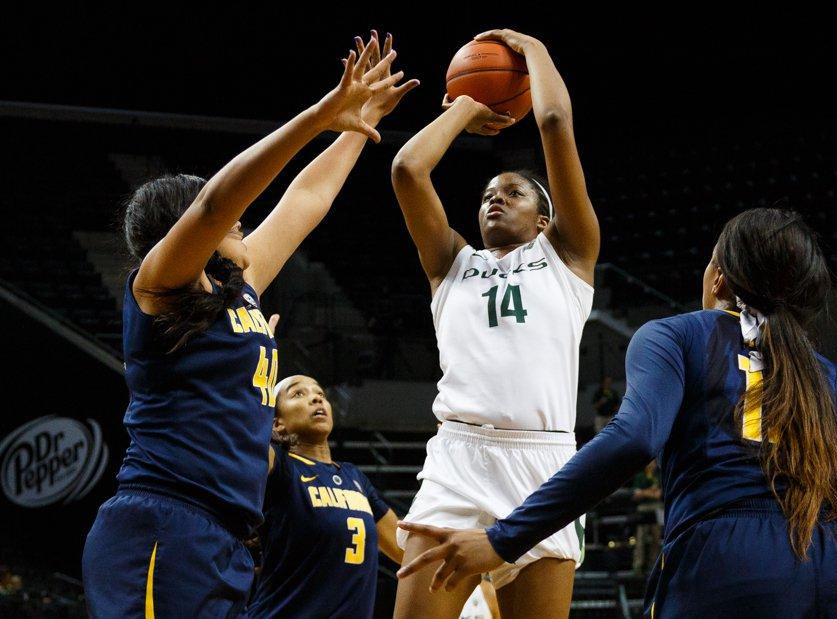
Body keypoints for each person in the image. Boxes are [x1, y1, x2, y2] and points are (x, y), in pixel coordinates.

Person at [397, 209, 837, 617]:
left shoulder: (677, 336)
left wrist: (503, 538)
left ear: (718, 276)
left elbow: (634, 439)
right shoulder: (834, 379)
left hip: (728, 560)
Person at [81, 33, 417, 616]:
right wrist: (317, 116)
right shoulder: (157, 285)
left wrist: (354, 128)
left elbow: (306, 198)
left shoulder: (240, 287)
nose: (242, 221)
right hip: (162, 524)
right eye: (232, 216)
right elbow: (215, 204)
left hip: (228, 538)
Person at [389, 28, 600, 618]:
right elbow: (408, 170)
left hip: (546, 465)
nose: (495, 199)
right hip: (459, 456)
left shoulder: (569, 256)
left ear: (544, 220)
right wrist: (464, 108)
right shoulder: (451, 264)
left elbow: (555, 123)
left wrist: (534, 50)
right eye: (487, 193)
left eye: (512, 192)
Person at [247, 372, 402, 618]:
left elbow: (403, 549)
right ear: (277, 423)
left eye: (320, 394)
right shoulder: (281, 466)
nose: (316, 399)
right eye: (298, 393)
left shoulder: (355, 477)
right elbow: (240, 446)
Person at [630, 460, 662, 574]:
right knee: (640, 539)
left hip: (656, 509)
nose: (650, 465)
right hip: (642, 509)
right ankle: (638, 566)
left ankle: (654, 566)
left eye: (652, 462)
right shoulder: (640, 476)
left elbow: (659, 494)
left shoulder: (659, 475)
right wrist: (649, 492)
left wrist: (644, 493)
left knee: (656, 539)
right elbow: (635, 494)